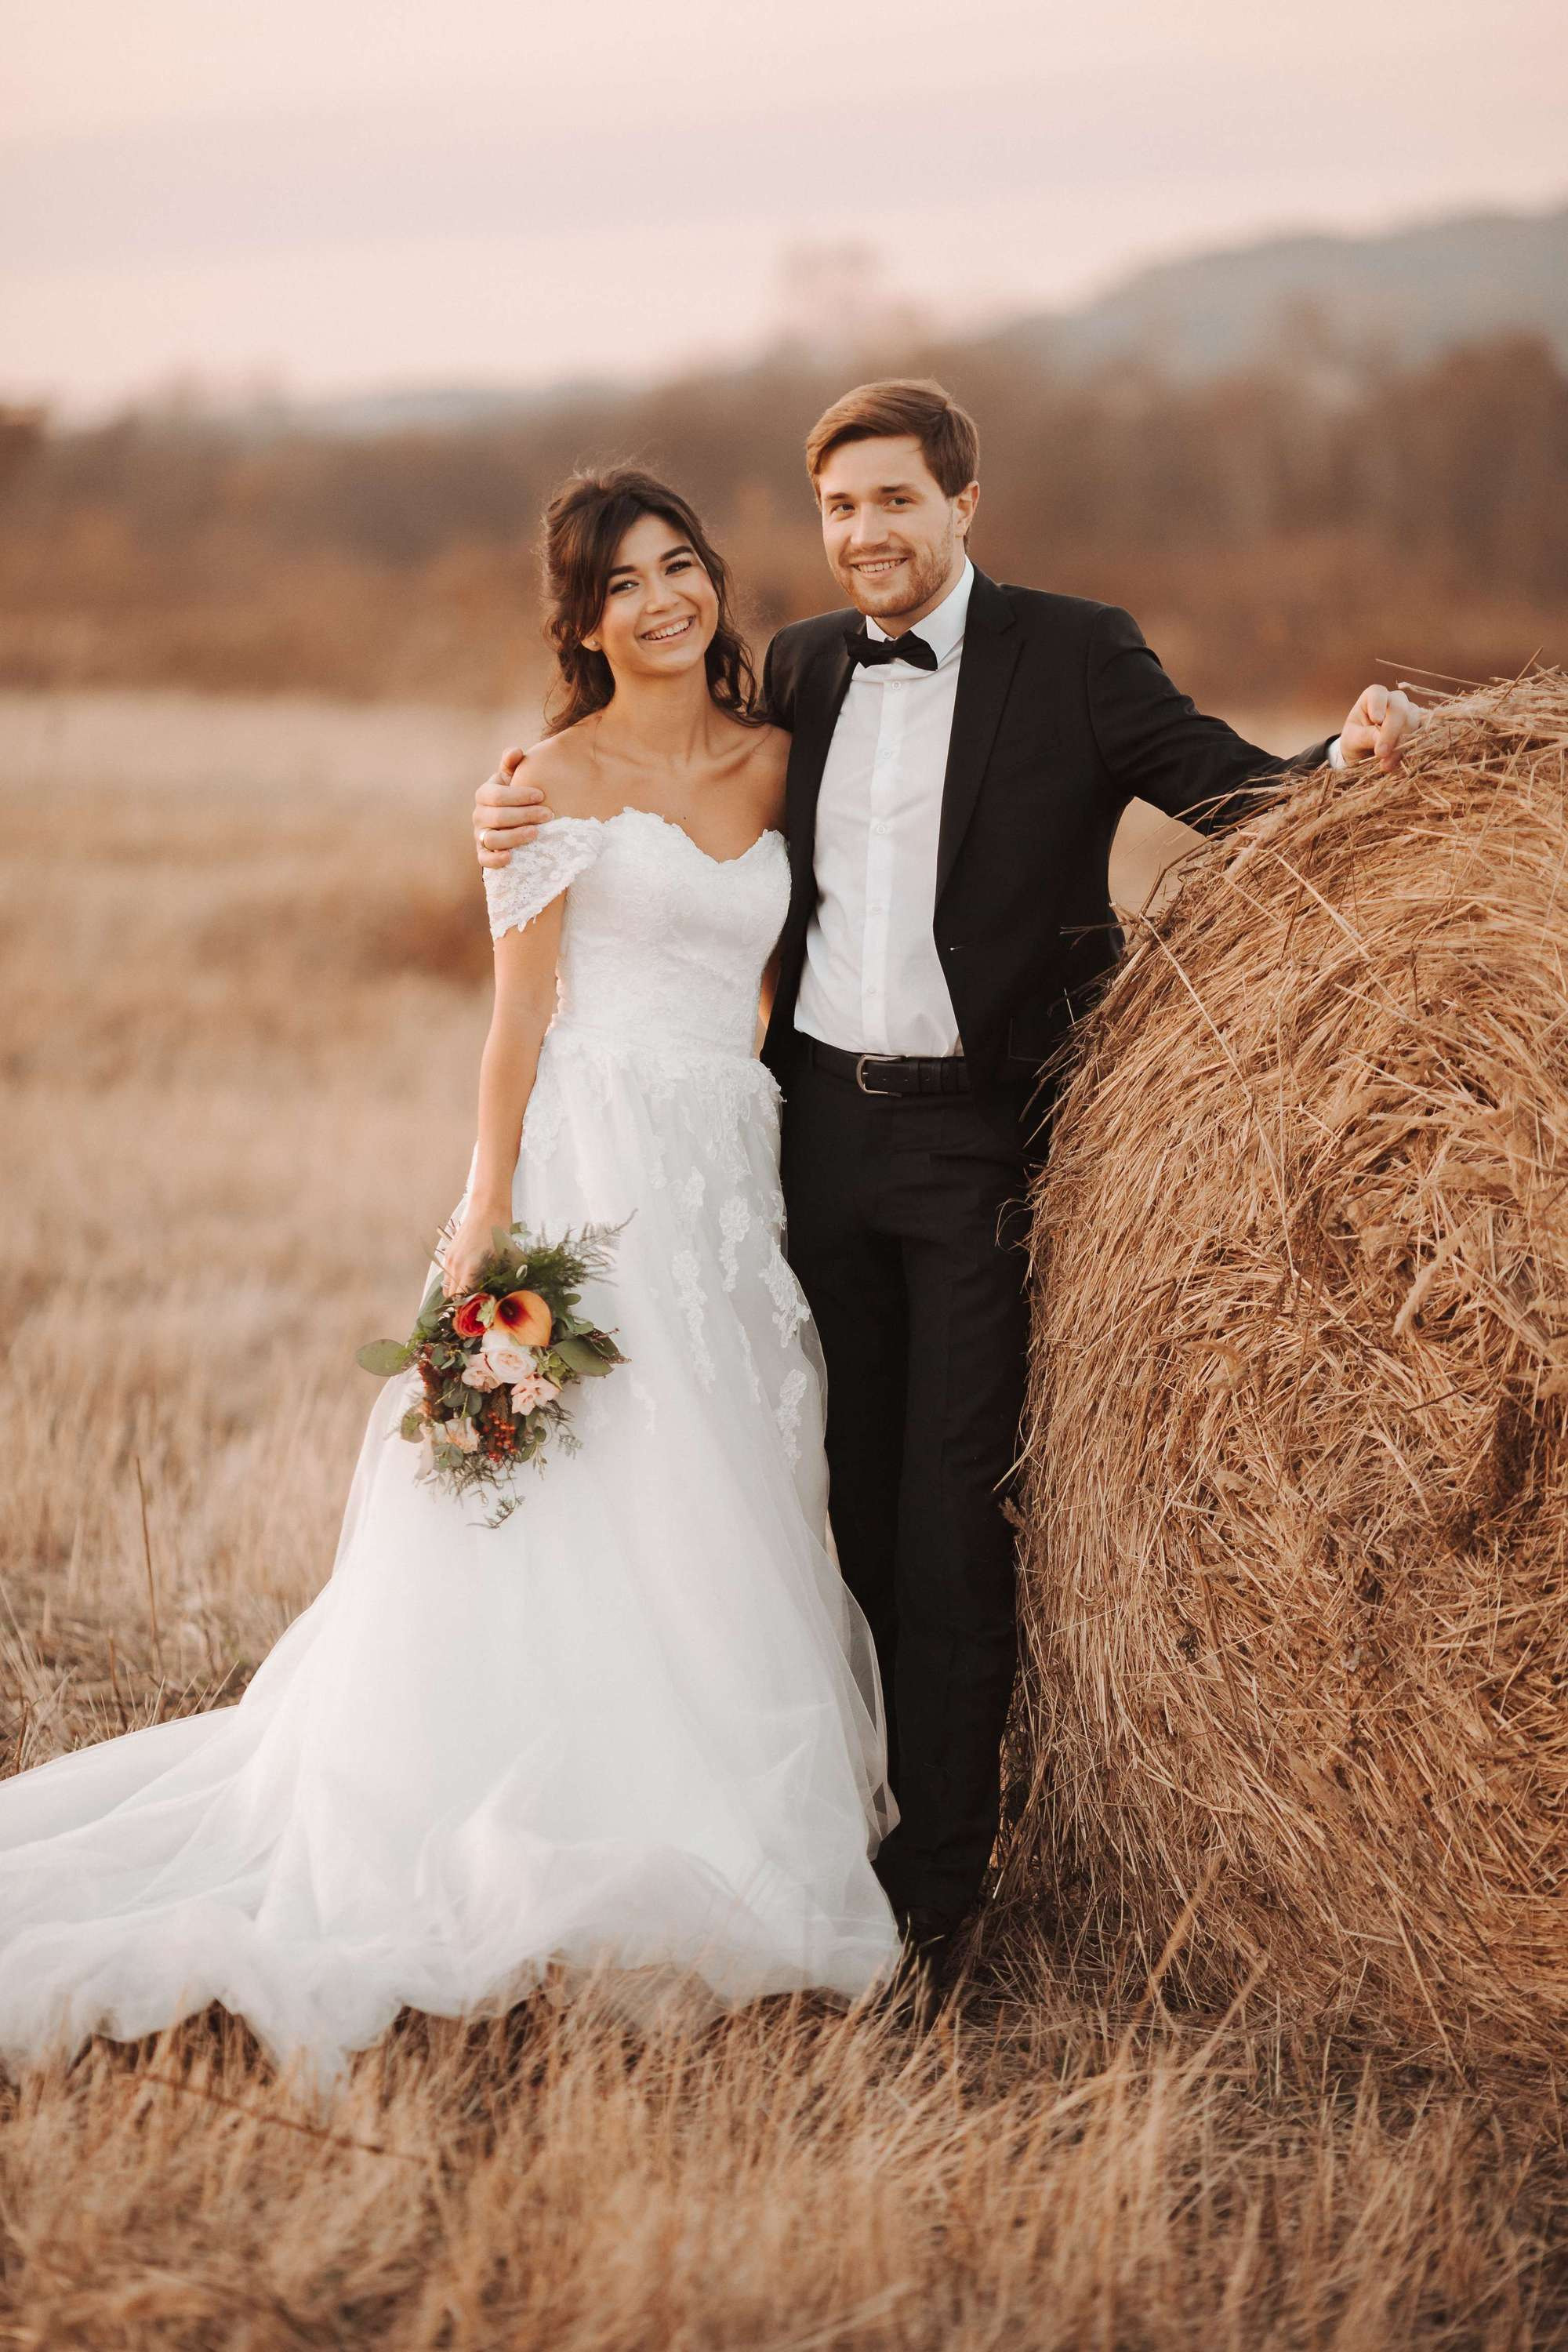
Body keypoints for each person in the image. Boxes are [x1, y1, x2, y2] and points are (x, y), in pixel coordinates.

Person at [474, 379, 1422, 1969]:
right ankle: (826, 1832)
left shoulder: (1078, 652)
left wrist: (1350, 761)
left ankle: (937, 1896)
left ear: (962, 504)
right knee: (821, 1500)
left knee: (950, 1519)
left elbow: (1231, 793)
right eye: (841, 507)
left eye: (896, 500)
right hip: (802, 1144)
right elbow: (644, 792)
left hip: (983, 1144)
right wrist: (521, 798)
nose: (867, 534)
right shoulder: (802, 669)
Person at [0, 470, 904, 2092]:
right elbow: (517, 1020)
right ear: (582, 620)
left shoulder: (783, 758)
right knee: (578, 1481)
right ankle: (536, 1821)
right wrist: (485, 1216)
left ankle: (712, 1810)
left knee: (732, 1476)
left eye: (679, 566)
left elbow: (810, 957)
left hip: (729, 1161)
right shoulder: (543, 782)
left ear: (714, 578)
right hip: (594, 1161)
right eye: (620, 584)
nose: (660, 601)